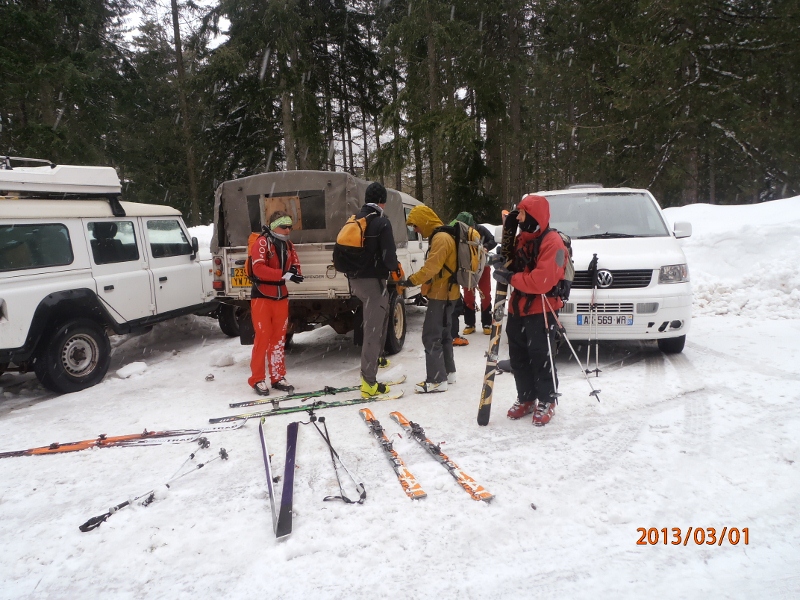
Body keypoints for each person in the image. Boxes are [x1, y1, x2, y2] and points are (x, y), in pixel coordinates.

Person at [492, 194, 567, 426]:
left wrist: (510, 277)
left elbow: (541, 281)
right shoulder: (522, 238)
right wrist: (502, 261)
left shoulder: (553, 242)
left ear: (533, 215)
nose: (519, 216)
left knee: (541, 356)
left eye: (522, 213)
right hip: (518, 307)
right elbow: (516, 263)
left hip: (542, 308)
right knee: (518, 356)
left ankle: (547, 399)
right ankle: (526, 397)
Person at [399, 205, 459, 393]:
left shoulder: (441, 238)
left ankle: (436, 380)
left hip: (441, 294)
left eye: (415, 226)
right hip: (449, 293)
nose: (415, 230)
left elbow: (431, 269)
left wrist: (410, 281)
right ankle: (448, 373)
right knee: (444, 334)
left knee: (431, 336)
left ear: (424, 221)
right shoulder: (444, 236)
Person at [348, 182, 400, 398]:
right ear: (383, 201)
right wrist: (395, 267)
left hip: (355, 280)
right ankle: (369, 383)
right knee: (372, 330)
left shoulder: (356, 219)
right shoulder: (381, 222)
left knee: (379, 318)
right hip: (372, 282)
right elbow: (389, 257)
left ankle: (376, 358)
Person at [247, 211, 303, 396]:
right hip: (262, 296)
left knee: (279, 339)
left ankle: (278, 376)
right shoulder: (262, 243)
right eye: (284, 226)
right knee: (262, 337)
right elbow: (258, 268)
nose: (288, 230)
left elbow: (295, 263)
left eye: (290, 226)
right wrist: (284, 274)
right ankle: (257, 378)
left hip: (281, 297)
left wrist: (295, 273)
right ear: (273, 226)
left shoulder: (288, 245)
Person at [454, 211, 497, 336]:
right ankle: (470, 324)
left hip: (482, 266)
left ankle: (487, 323)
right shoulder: (459, 232)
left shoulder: (481, 230)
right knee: (468, 294)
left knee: (485, 293)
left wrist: (485, 247)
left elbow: (493, 240)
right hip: (467, 267)